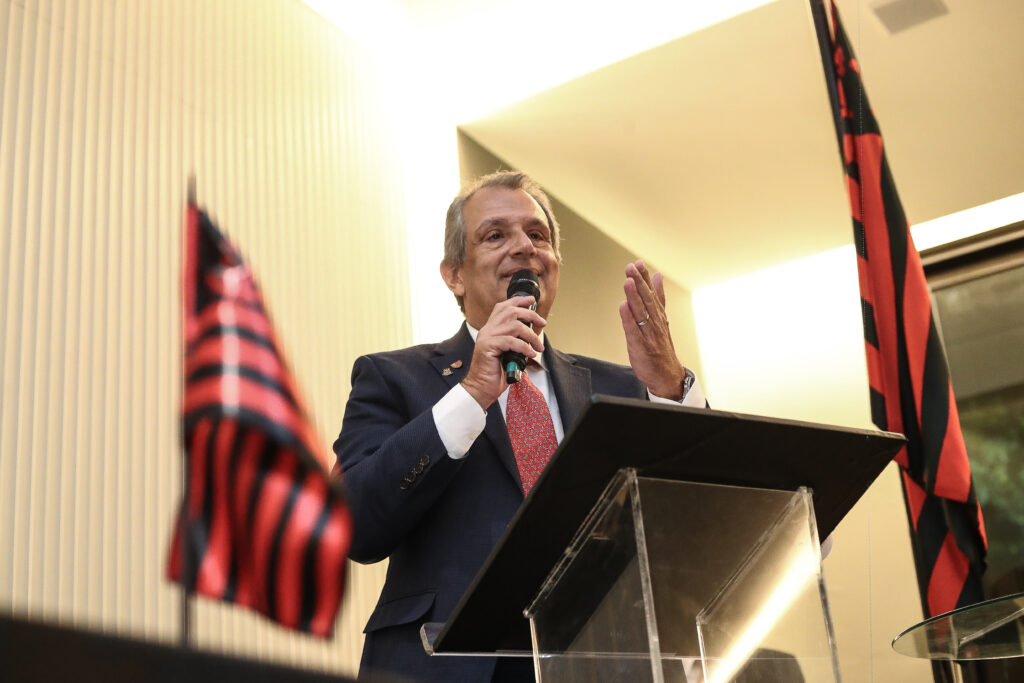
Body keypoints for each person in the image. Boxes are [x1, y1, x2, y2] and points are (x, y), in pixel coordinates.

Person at [333, 171, 706, 682]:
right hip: (449, 664)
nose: (523, 248)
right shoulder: (393, 377)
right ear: (454, 275)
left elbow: (703, 516)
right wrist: (471, 395)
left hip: (603, 662)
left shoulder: (625, 386)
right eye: (496, 235)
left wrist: (672, 388)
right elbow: (352, 523)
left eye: (538, 235)